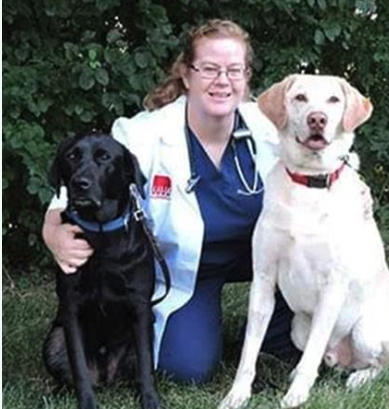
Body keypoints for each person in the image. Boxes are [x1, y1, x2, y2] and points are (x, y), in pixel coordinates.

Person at [42, 19, 367, 383]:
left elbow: (330, 157)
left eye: (234, 70)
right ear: (186, 74)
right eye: (210, 69)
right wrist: (52, 230)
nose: (223, 81)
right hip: (191, 269)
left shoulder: (268, 126)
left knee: (303, 333)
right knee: (186, 368)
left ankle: (283, 327)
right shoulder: (145, 134)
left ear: (246, 76)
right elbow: (82, 181)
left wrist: (357, 188)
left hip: (270, 256)